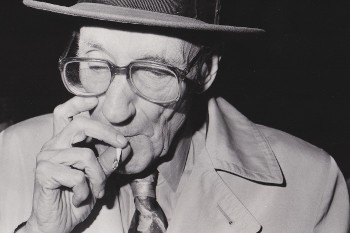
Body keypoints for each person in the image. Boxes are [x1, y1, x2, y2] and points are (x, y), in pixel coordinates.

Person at [0, 0, 349, 232]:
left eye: (155, 71)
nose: (114, 110)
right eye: (94, 65)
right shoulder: (14, 154)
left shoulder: (312, 182)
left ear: (205, 72)